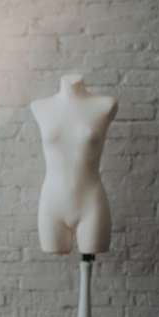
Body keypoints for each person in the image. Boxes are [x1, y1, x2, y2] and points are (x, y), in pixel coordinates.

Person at [30, 73, 117, 255]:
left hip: (91, 203)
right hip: (51, 204)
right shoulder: (40, 106)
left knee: (91, 257)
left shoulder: (105, 105)